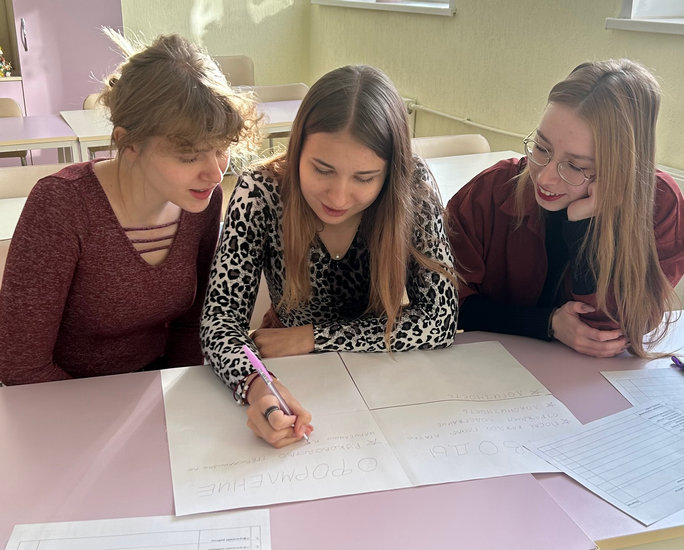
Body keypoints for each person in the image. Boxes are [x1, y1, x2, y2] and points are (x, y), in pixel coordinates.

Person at [201, 64, 459, 448]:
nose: (338, 197)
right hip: (293, 373)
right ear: (297, 149)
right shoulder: (259, 192)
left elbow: (440, 321)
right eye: (322, 170)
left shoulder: (412, 186)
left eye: (364, 178)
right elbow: (219, 322)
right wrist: (257, 386)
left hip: (385, 379)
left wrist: (313, 338)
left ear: (390, 172)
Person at [0, 31, 259, 385]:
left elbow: (190, 326)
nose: (215, 174)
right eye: (189, 156)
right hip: (66, 394)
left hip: (153, 384)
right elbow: (21, 365)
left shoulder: (200, 198)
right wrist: (112, 411)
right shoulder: (61, 206)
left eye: (221, 149)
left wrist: (175, 397)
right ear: (129, 143)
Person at [446, 59, 684, 359]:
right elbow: (445, 305)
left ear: (620, 169)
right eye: (541, 148)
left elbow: (608, 332)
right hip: (493, 366)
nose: (544, 178)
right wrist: (546, 324)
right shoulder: (492, 190)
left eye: (575, 166)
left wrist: (584, 225)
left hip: (584, 377)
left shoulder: (660, 203)